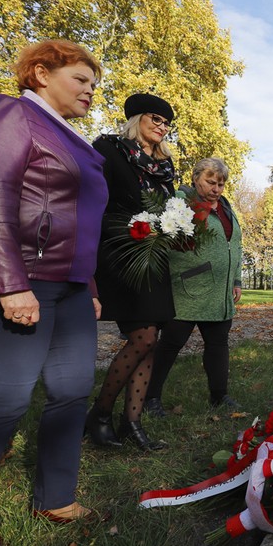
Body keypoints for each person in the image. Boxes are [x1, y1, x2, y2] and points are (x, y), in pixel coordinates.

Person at [0, 39, 107, 546]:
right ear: (39, 72)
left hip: (71, 285)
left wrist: (91, 285)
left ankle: (54, 495)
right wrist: (11, 283)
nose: (90, 91)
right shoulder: (7, 112)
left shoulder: (73, 138)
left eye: (94, 85)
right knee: (6, 397)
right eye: (80, 79)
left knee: (73, 387)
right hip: (12, 277)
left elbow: (81, 220)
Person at [86, 93, 177, 451]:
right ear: (136, 118)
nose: (161, 126)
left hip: (155, 257)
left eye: (166, 123)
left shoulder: (164, 167)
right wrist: (129, 228)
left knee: (150, 339)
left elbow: (168, 211)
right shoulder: (110, 150)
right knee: (142, 338)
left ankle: (132, 421)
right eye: (155, 118)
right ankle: (101, 413)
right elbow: (95, 202)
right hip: (122, 253)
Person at [144, 158, 243, 416]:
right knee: (171, 344)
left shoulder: (225, 207)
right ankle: (150, 397)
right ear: (196, 177)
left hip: (220, 294)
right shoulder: (181, 202)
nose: (216, 189)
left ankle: (219, 396)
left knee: (218, 344)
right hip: (189, 288)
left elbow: (236, 245)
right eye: (211, 182)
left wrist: (236, 280)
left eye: (221, 184)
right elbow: (163, 240)